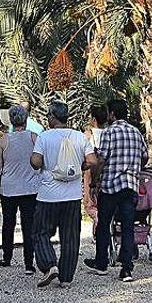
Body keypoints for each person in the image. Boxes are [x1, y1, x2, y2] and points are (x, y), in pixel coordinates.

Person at [30, 101, 99, 289]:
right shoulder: (79, 137)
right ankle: (66, 277)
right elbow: (92, 161)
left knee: (40, 232)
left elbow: (36, 162)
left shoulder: (44, 137)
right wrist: (80, 167)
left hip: (48, 196)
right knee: (70, 236)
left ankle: (49, 264)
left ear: (52, 116)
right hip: (72, 196)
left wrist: (39, 160)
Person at [84, 99, 148, 282]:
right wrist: (135, 168)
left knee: (104, 224)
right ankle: (126, 268)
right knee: (127, 226)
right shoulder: (136, 132)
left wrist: (95, 180)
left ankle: (101, 263)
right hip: (130, 186)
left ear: (112, 114)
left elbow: (101, 159)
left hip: (111, 186)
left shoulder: (109, 133)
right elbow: (145, 156)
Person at [0, 104, 39, 274]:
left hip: (9, 188)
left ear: (11, 121)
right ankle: (29, 263)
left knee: (8, 223)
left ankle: (7, 256)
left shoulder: (4, 140)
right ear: (26, 120)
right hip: (30, 188)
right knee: (29, 224)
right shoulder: (34, 137)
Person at [82, 104, 109, 227]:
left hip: (91, 170)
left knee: (90, 203)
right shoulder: (109, 133)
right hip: (107, 170)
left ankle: (98, 223)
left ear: (93, 120)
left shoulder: (89, 135)